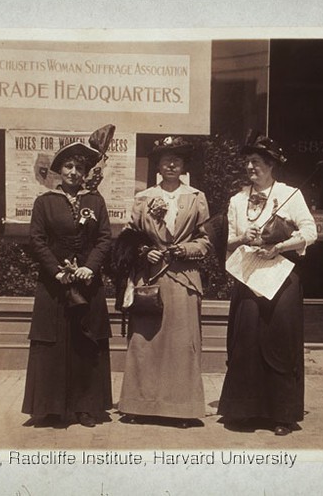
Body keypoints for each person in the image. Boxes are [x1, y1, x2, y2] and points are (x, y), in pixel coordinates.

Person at [217, 132, 317, 436]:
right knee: (245, 340)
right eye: (247, 162)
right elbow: (227, 241)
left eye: (256, 161)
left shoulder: (290, 194)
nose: (250, 167)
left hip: (281, 277)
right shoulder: (237, 199)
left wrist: (280, 246)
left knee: (279, 342)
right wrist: (241, 238)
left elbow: (310, 232)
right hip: (248, 276)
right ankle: (244, 410)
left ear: (271, 165)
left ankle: (282, 415)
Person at [21, 125, 116, 428]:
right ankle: (49, 408)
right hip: (54, 286)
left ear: (87, 172)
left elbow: (104, 238)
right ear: (59, 170)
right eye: (69, 166)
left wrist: (90, 267)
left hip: (87, 285)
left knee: (85, 342)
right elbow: (36, 240)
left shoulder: (95, 202)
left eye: (80, 167)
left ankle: (85, 408)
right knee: (53, 342)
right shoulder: (44, 203)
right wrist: (57, 271)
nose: (75, 172)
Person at [117, 136, 212, 428]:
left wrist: (184, 249)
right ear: (157, 165)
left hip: (184, 279)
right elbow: (129, 238)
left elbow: (206, 241)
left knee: (182, 345)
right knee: (145, 342)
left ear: (184, 166)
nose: (171, 164)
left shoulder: (197, 197)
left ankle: (181, 409)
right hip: (151, 280)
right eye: (165, 159)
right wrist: (145, 251)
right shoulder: (143, 197)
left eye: (177, 160)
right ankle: (138, 406)